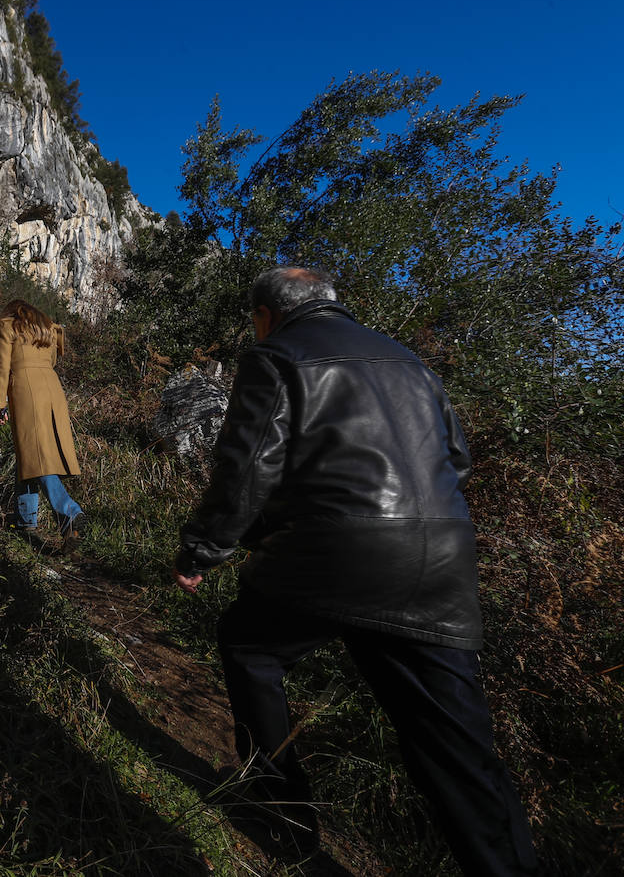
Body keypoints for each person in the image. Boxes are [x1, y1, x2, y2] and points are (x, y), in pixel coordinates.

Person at [174, 267, 539, 874]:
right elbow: (457, 463)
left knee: (249, 645)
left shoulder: (276, 357)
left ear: (266, 315)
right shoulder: (413, 364)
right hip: (445, 562)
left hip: (339, 553)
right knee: (458, 750)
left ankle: (281, 813)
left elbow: (247, 473)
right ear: (333, 304)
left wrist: (205, 549)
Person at [0, 299, 87, 548]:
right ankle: (25, 518)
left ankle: (69, 510)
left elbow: (2, 366)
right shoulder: (47, 327)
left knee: (35, 454)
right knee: (28, 450)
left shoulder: (8, 326)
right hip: (52, 388)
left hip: (26, 390)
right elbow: (51, 361)